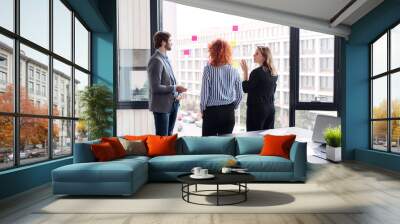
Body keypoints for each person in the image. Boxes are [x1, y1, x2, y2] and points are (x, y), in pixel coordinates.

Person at [200, 39, 243, 136]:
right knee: (225, 145)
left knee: (208, 146)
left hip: (211, 113)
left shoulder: (208, 70)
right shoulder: (234, 71)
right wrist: (232, 107)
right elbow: (240, 95)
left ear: (212, 52)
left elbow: (204, 94)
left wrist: (202, 109)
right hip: (228, 113)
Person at [147, 31, 187, 136]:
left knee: (169, 137)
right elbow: (155, 87)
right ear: (163, 42)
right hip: (162, 107)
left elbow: (169, 82)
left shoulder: (166, 59)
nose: (172, 43)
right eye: (170, 40)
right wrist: (175, 87)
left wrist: (177, 94)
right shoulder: (156, 60)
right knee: (162, 139)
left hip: (172, 104)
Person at [240, 46, 278, 131]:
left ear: (264, 57)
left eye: (257, 53)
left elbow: (246, 88)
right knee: (268, 137)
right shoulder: (274, 73)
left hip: (257, 111)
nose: (254, 55)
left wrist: (245, 72)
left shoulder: (256, 73)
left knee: (254, 138)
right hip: (270, 110)